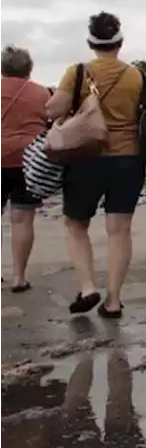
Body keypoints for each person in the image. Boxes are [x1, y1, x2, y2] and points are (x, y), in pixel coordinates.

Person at [45, 12, 146, 318]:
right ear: (120, 43)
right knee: (119, 231)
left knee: (75, 225)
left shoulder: (77, 72)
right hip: (128, 160)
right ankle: (112, 300)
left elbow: (53, 108)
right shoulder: (136, 75)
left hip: (85, 159)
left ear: (90, 43)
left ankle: (87, 287)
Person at [0, 46, 49, 294]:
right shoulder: (41, 93)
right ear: (29, 69)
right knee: (22, 219)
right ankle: (19, 277)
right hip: (29, 162)